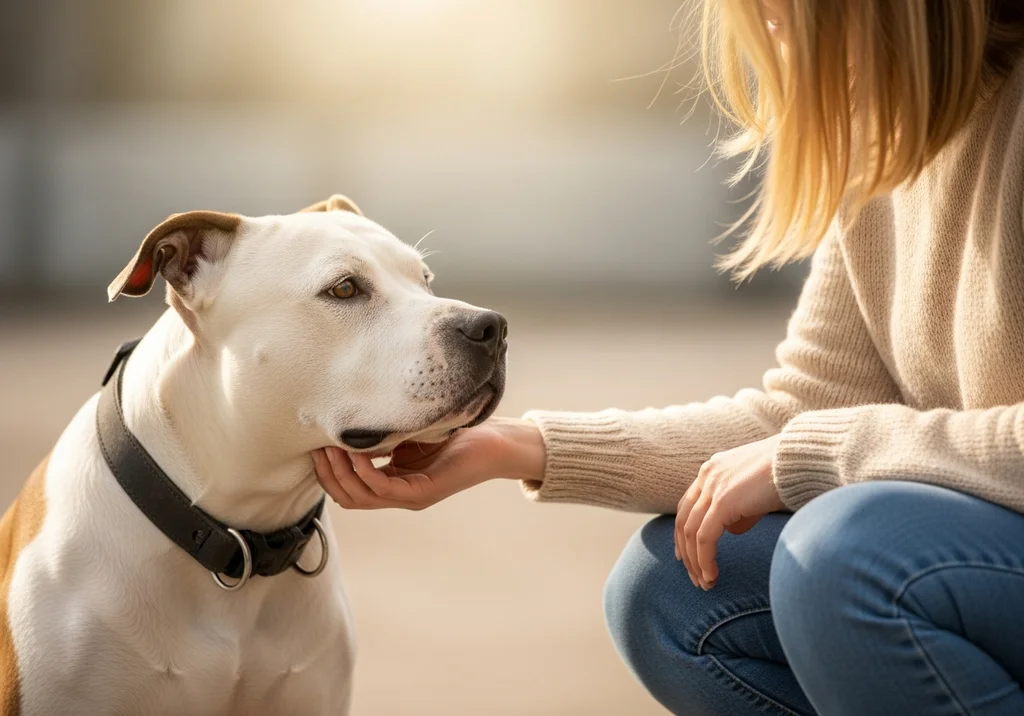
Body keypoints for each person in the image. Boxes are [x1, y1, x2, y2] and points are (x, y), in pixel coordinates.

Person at [312, 1, 1024, 713]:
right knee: (668, 596)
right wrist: (510, 447)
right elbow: (801, 413)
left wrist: (815, 452)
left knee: (847, 559)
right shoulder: (888, 139)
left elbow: (805, 443)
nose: (766, 21)